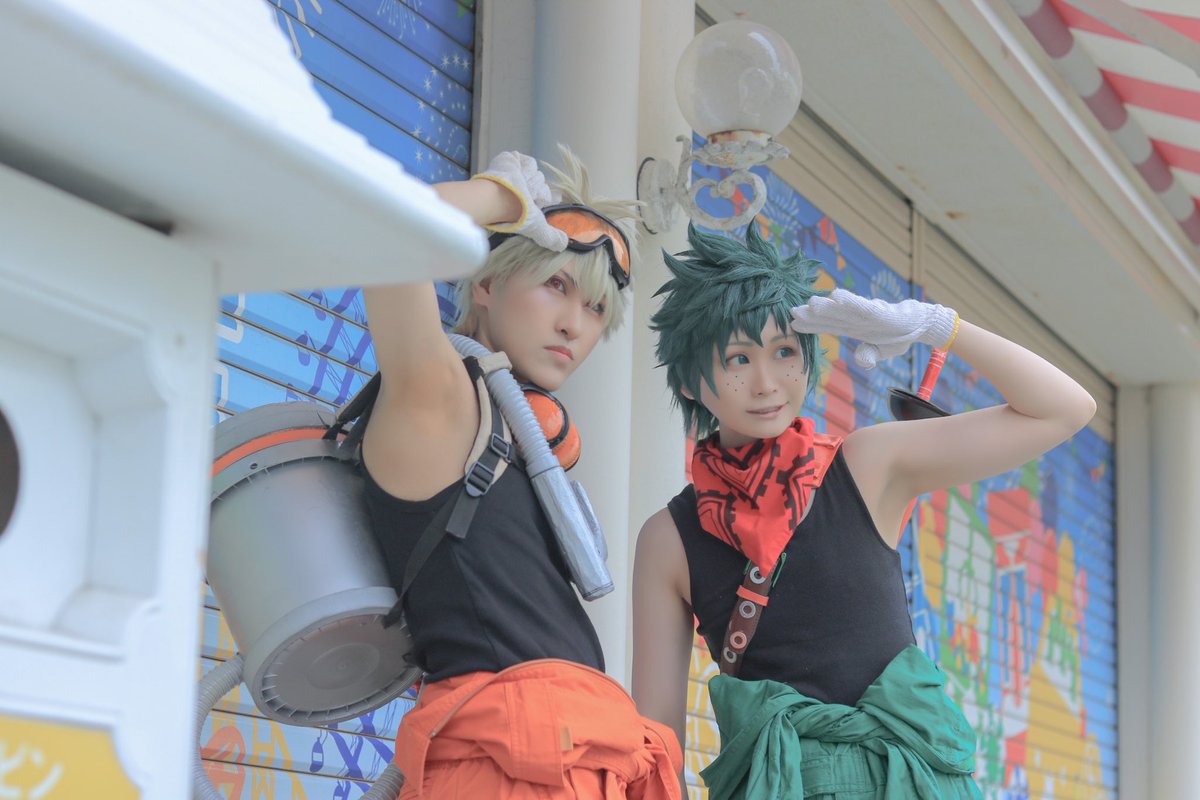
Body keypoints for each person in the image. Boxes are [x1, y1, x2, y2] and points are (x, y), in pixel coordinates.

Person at [631, 223, 1096, 799]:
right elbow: (657, 747)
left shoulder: (867, 465)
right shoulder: (669, 539)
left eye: (784, 351)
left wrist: (939, 327)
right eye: (737, 359)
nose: (767, 382)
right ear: (690, 381)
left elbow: (1065, 409)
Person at [362, 148, 681, 799]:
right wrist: (500, 198)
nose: (574, 324)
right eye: (556, 285)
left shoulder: (512, 430)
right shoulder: (439, 398)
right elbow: (385, 228)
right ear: (485, 282)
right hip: (508, 769)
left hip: (570, 758)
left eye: (596, 308)